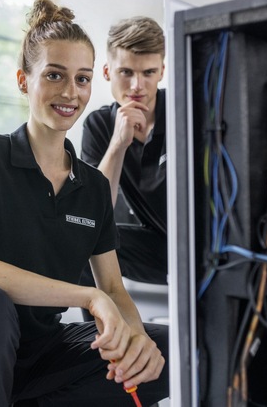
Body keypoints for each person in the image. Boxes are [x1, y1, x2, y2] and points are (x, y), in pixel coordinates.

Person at [0, 0, 169, 406]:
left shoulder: (91, 186)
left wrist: (137, 339)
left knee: (165, 351)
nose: (70, 92)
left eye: (83, 79)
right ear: (23, 80)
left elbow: (113, 287)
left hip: (43, 357)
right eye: (54, 75)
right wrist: (86, 297)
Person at [79, 17, 168, 320]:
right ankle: (98, 347)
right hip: (158, 250)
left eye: (148, 73)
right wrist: (118, 143)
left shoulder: (186, 111)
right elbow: (95, 212)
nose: (137, 86)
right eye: (126, 72)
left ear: (162, 72)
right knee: (82, 239)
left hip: (205, 247)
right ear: (107, 72)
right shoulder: (99, 124)